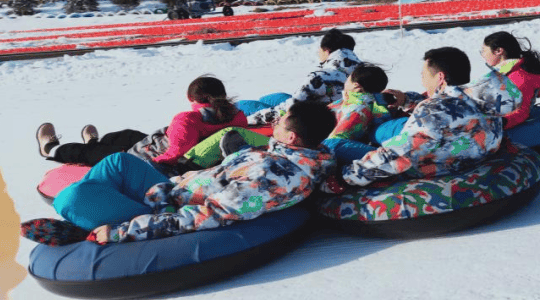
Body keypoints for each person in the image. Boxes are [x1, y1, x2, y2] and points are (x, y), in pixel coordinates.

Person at [22, 101, 338, 246]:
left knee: (72, 197)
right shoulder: (309, 155)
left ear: (292, 137)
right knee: (118, 161)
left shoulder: (271, 175)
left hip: (176, 209)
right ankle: (98, 210)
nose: (276, 123)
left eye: (281, 123)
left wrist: (126, 231)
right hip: (172, 191)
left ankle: (89, 227)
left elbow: (210, 216)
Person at [332, 47, 521, 191]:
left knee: (334, 145)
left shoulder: (432, 112)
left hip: (430, 167)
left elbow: (397, 157)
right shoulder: (485, 102)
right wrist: (407, 100)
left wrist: (345, 178)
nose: (422, 80)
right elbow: (450, 110)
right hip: (466, 155)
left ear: (440, 77)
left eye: (423, 75)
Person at [35, 75, 248, 172]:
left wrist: (148, 164)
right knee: (128, 134)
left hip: (152, 155)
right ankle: (95, 143)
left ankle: (52, 149)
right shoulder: (237, 115)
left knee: (104, 155)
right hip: (163, 140)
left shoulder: (188, 119)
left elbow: (175, 153)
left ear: (193, 99)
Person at [246, 29, 363, 125]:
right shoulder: (365, 72)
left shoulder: (321, 77)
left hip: (312, 122)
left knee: (249, 105)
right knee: (275, 97)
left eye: (320, 49)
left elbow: (291, 108)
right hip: (330, 111)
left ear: (327, 51)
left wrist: (252, 119)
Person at [480, 31, 540, 129]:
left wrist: (495, 124)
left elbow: (521, 112)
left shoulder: (519, 77)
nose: (482, 55)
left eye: (483, 50)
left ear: (498, 51)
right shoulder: (506, 70)